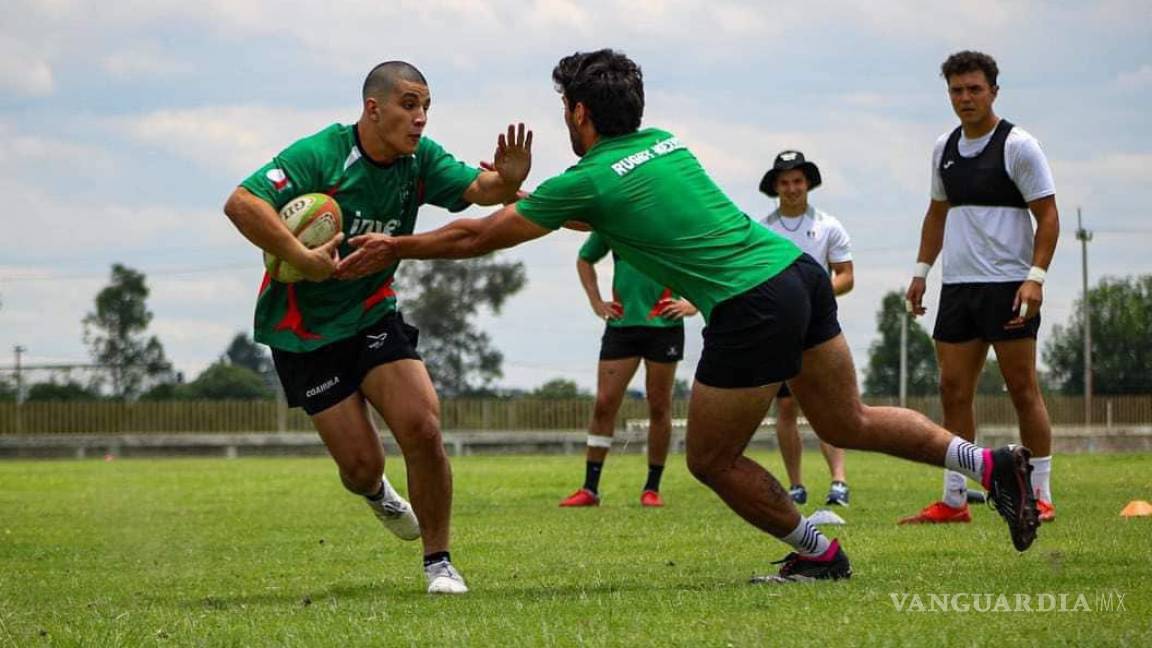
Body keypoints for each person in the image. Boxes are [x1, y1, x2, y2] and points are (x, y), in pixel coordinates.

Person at [335, 49, 1040, 582]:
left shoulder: (585, 176)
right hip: (798, 276)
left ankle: (818, 553)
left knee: (708, 459)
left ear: (579, 115)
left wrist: (396, 244)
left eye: (565, 110)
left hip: (749, 303)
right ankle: (991, 462)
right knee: (846, 420)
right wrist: (516, 194)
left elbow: (478, 236)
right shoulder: (665, 142)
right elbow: (599, 207)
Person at [222, 60, 533, 594]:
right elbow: (242, 202)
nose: (420, 119)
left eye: (426, 107)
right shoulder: (322, 153)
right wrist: (303, 255)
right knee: (362, 467)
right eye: (409, 105)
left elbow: (480, 191)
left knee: (424, 426)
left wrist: (507, 179)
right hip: (306, 333)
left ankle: (440, 563)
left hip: (371, 313)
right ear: (374, 108)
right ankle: (378, 493)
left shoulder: (420, 162)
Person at [902, 50, 1059, 525]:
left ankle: (1039, 494)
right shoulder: (943, 147)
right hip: (959, 288)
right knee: (952, 390)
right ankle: (954, 500)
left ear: (993, 90)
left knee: (1021, 390)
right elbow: (937, 213)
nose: (965, 98)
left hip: (1009, 286)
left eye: (974, 89)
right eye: (956, 90)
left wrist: (1035, 279)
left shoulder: (1018, 146)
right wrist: (921, 271)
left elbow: (1048, 216)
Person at [559, 231, 698, 508]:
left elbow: (702, 261)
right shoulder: (612, 221)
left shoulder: (672, 221)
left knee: (659, 406)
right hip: (621, 327)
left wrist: (692, 304)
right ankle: (590, 489)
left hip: (665, 327)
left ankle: (652, 488)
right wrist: (596, 302)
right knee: (604, 403)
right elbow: (584, 259)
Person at [758, 151, 853, 508]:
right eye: (784, 182)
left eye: (798, 181)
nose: (792, 188)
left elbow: (846, 275)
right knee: (786, 409)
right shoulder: (764, 228)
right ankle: (795, 484)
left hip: (819, 327)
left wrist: (814, 292)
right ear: (775, 187)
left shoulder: (829, 225)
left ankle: (839, 481)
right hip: (779, 330)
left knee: (827, 406)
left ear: (808, 183)